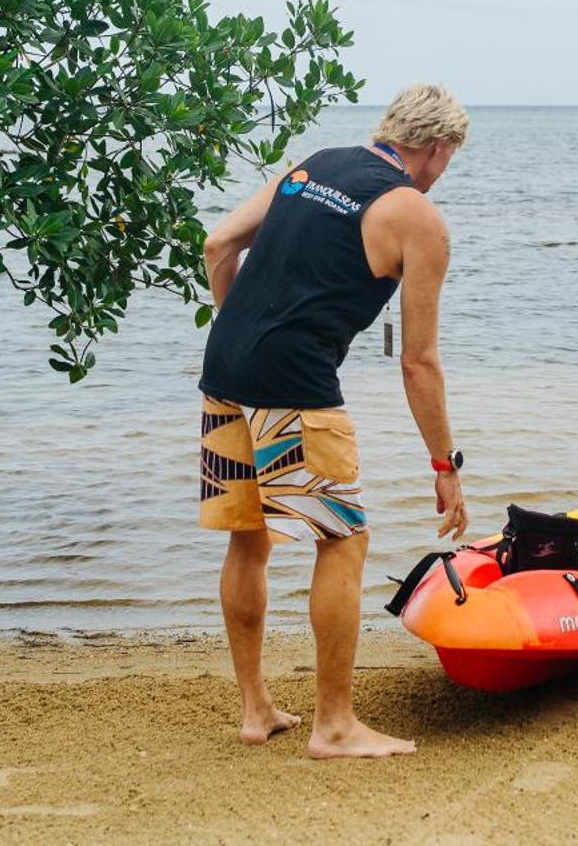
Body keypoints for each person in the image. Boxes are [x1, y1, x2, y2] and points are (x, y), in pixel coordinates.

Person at [198, 84, 470, 758]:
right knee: (341, 540)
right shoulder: (417, 216)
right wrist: (445, 465)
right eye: (448, 159)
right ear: (437, 148)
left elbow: (217, 243)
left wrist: (242, 338)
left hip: (224, 366)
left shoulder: (312, 164)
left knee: (250, 535)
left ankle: (257, 708)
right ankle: (335, 724)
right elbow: (418, 362)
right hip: (295, 382)